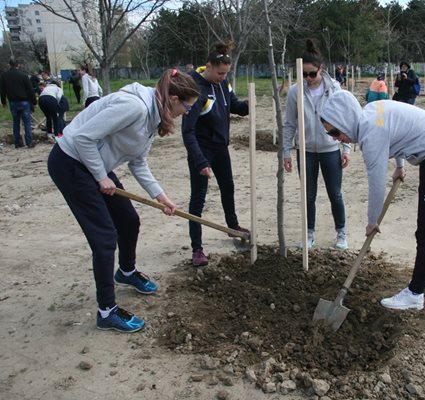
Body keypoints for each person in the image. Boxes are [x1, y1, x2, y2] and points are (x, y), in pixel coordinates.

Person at [47, 69, 199, 332]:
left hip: (93, 164)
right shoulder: (134, 107)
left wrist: (162, 198)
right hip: (71, 163)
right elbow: (83, 138)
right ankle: (107, 312)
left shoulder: (153, 116)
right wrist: (100, 176)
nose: (186, 112)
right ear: (173, 98)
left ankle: (126, 272)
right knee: (105, 237)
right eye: (186, 106)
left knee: (128, 221)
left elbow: (138, 163)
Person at [320, 90, 425, 311]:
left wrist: (372, 220)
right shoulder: (369, 113)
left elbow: (376, 184)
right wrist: (400, 165)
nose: (336, 139)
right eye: (331, 135)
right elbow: (396, 130)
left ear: (346, 121)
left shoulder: (370, 135)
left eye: (336, 132)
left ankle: (415, 294)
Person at [182, 42, 250, 268]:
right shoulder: (196, 89)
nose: (223, 77)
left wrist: (248, 105)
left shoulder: (223, 84)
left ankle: (233, 227)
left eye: (226, 73)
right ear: (208, 66)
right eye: (220, 73)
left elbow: (235, 106)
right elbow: (187, 130)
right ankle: (197, 249)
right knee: (198, 199)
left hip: (220, 147)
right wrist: (200, 161)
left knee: (228, 186)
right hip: (201, 150)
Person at [283, 39, 351, 250]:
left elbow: (345, 119)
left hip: (330, 149)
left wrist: (346, 148)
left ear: (321, 69)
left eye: (312, 74)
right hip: (306, 151)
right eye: (303, 74)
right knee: (308, 195)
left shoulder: (335, 89)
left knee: (335, 193)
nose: (308, 78)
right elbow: (289, 123)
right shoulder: (295, 92)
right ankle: (309, 233)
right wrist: (286, 151)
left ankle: (341, 232)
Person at [0, 59, 37, 148]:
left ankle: (17, 142)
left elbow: (2, 90)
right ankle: (29, 142)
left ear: (9, 65)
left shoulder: (4, 76)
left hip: (12, 102)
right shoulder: (23, 75)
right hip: (24, 101)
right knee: (27, 123)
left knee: (15, 123)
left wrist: (3, 101)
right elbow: (30, 89)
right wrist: (34, 101)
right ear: (18, 65)